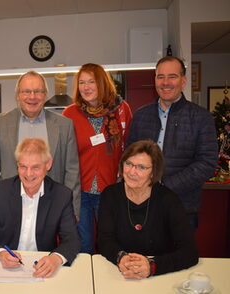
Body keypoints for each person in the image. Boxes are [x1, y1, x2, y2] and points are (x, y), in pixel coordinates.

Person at [127, 56, 218, 228]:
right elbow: (129, 156)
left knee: (178, 254)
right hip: (142, 206)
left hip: (181, 207)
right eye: (160, 77)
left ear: (183, 81)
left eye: (172, 76)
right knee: (142, 254)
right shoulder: (140, 116)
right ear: (154, 80)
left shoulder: (201, 117)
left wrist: (165, 187)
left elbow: (207, 163)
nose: (165, 82)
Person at [0, 138, 80, 278]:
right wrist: (0, 253)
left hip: (42, 268)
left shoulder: (62, 195)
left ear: (48, 164)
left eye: (35, 167)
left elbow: (72, 239)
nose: (28, 174)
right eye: (23, 167)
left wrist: (56, 258)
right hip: (4, 268)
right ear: (17, 165)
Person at [98, 140, 199, 279]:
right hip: (119, 273)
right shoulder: (110, 195)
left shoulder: (168, 200)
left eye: (141, 167)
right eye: (128, 164)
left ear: (153, 172)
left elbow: (190, 253)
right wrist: (120, 257)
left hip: (159, 277)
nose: (132, 172)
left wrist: (152, 266)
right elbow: (105, 240)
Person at [0, 71, 80, 217]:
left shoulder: (64, 125)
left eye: (38, 91)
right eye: (26, 91)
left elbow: (72, 172)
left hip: (52, 207)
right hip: (11, 206)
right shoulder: (2, 123)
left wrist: (72, 211)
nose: (32, 97)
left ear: (45, 95)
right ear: (18, 95)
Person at [62, 63, 132, 253]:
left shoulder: (121, 110)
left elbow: (130, 148)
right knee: (83, 244)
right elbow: (63, 153)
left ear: (101, 82)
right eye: (82, 82)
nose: (86, 87)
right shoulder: (70, 114)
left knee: (109, 243)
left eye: (91, 81)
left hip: (110, 190)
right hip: (80, 191)